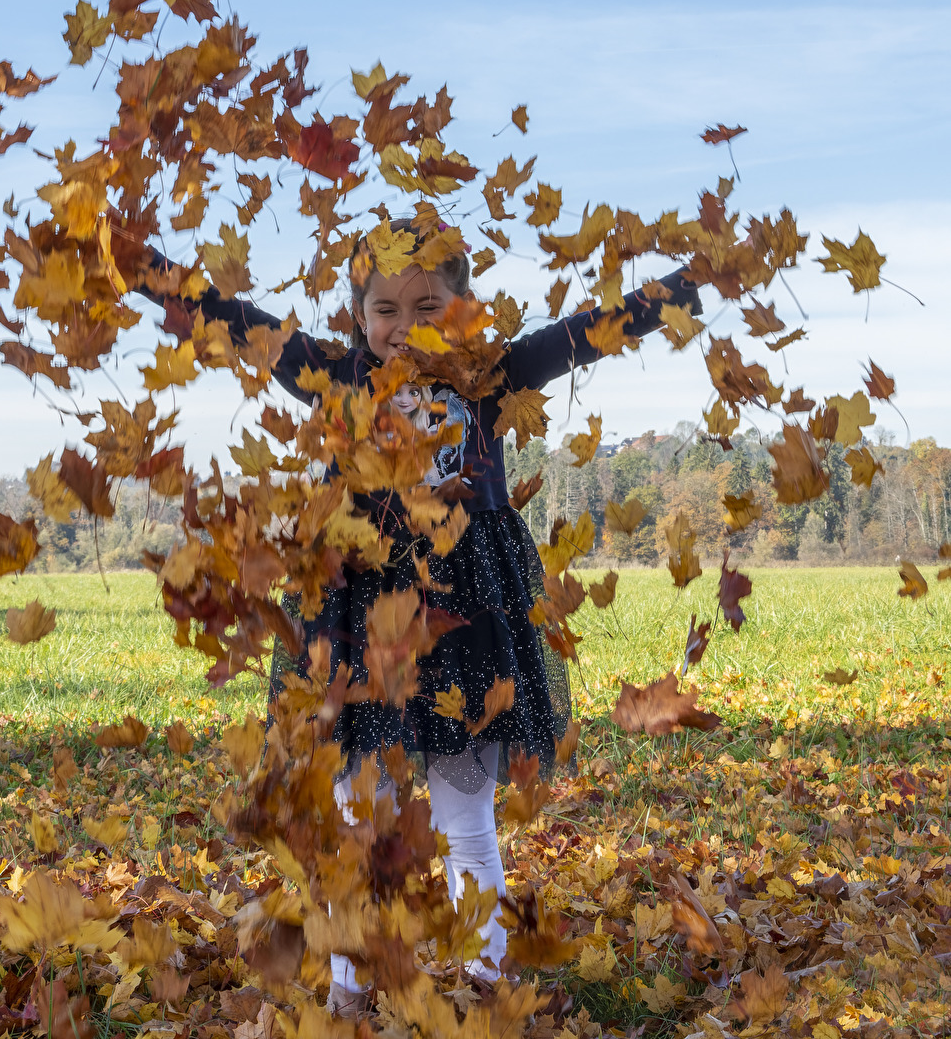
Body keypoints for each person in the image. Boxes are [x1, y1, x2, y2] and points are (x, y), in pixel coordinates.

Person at [136, 219, 701, 1014]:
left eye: (428, 305)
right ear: (358, 315)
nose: (405, 325)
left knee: (465, 818)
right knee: (360, 819)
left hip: (466, 614)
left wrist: (681, 290)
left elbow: (585, 334)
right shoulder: (334, 376)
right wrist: (143, 267)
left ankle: (489, 981)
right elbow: (237, 322)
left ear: (462, 307)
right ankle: (352, 990)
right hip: (361, 618)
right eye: (385, 309)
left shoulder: (492, 376)